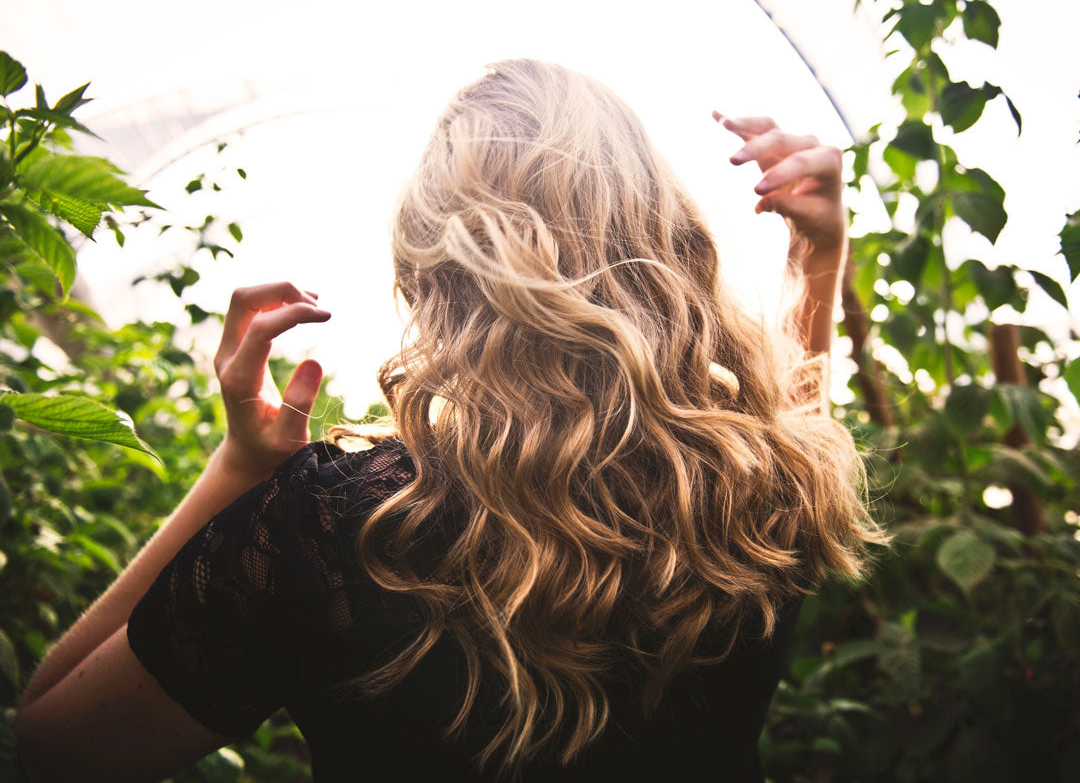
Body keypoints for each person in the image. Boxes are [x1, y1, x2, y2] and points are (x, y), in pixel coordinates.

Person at [14, 59, 887, 782]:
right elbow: (791, 420)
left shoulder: (333, 532)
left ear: (433, 268)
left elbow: (50, 746)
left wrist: (240, 471)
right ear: (661, 234)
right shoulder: (765, 488)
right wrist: (817, 257)